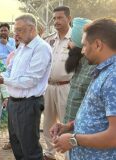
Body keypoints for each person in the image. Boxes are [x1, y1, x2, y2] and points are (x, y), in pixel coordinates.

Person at [0, 14, 52, 160]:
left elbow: (31, 80)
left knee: (30, 150)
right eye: (16, 31)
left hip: (28, 104)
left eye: (20, 30)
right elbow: (10, 69)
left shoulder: (41, 48)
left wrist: (3, 80)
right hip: (14, 103)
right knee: (17, 145)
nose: (16, 34)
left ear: (32, 29)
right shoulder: (22, 46)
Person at [50, 18, 116, 160]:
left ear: (98, 45)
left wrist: (73, 140)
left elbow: (114, 136)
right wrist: (69, 126)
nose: (83, 51)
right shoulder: (104, 71)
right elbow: (99, 115)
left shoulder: (113, 78)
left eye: (85, 45)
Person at [42, 6, 73, 160]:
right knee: (48, 121)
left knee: (66, 122)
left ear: (69, 18)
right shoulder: (50, 39)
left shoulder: (76, 38)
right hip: (49, 86)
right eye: (54, 18)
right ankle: (49, 152)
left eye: (60, 18)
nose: (56, 21)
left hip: (66, 86)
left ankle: (68, 154)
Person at [63, 17, 95, 124]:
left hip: (84, 131)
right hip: (71, 126)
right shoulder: (80, 62)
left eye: (72, 41)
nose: (68, 45)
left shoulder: (95, 67)